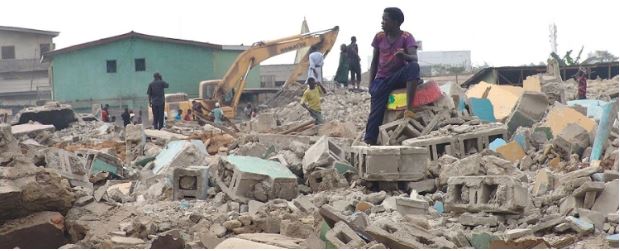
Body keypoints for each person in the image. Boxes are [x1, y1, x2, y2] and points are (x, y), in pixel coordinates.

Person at [364, 7, 421, 145]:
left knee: (413, 67)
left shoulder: (406, 37)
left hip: (398, 77)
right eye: (382, 19)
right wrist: (371, 84)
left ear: (396, 22)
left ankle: (409, 109)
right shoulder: (379, 37)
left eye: (385, 19)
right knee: (376, 113)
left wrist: (404, 55)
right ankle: (369, 141)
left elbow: (414, 58)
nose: (382, 22)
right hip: (382, 79)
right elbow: (375, 61)